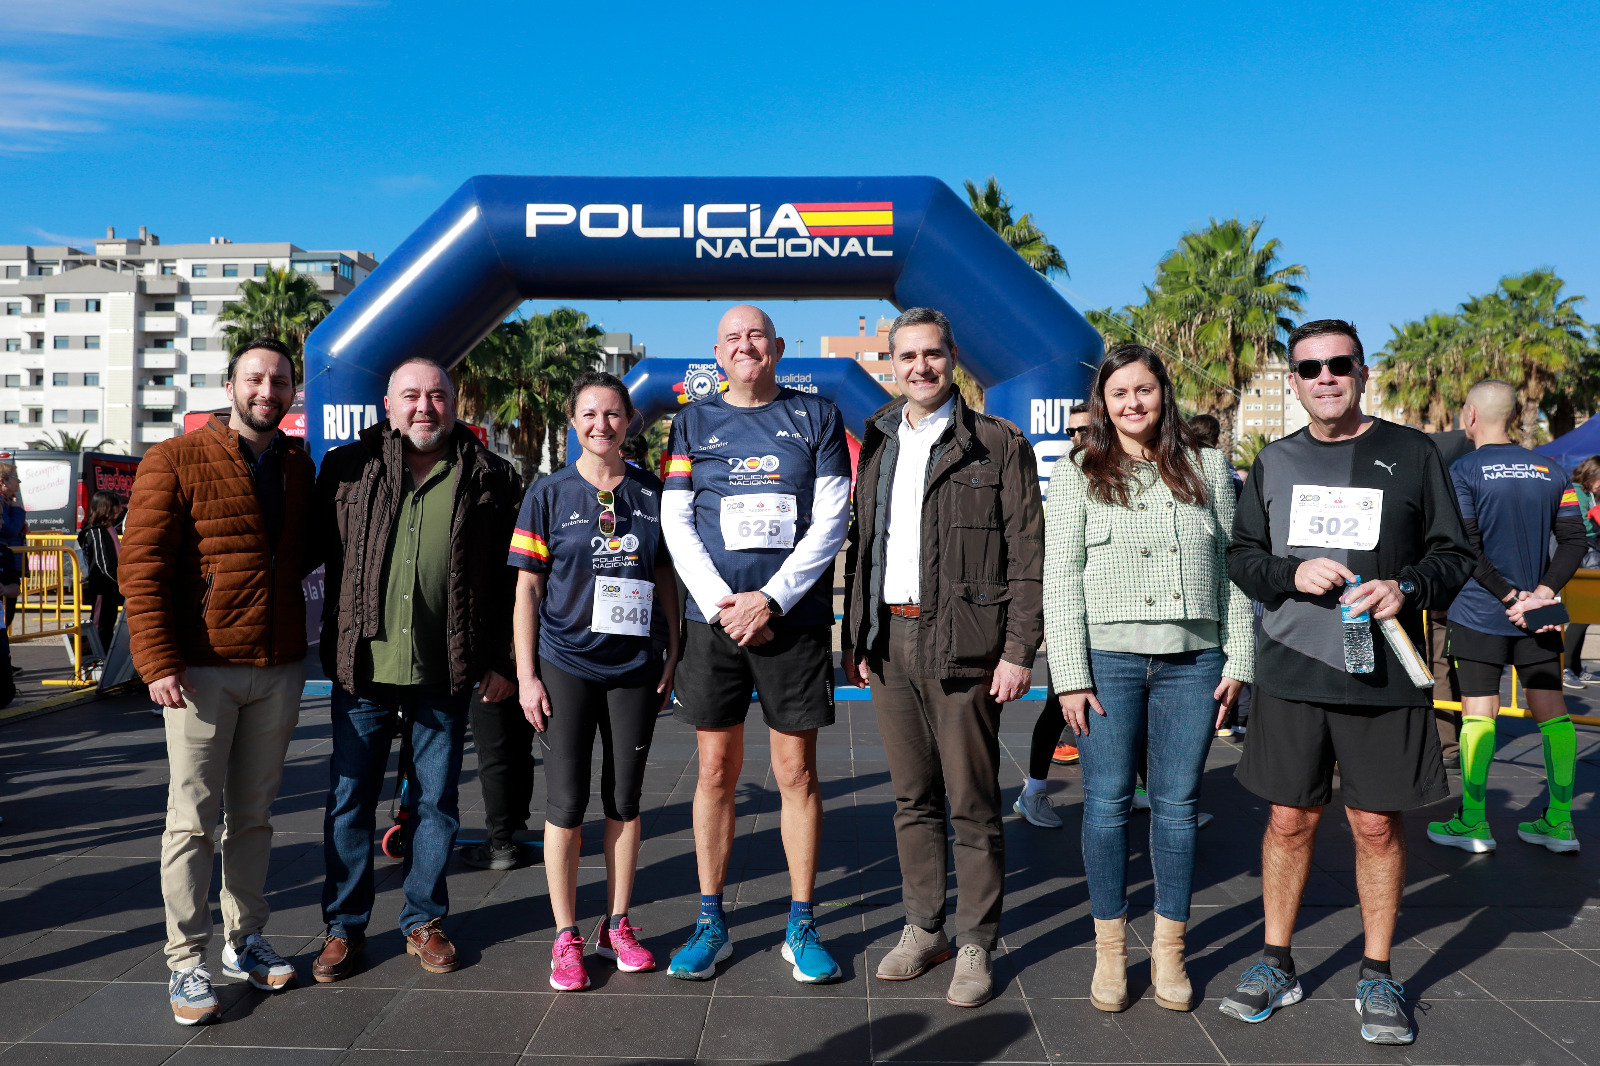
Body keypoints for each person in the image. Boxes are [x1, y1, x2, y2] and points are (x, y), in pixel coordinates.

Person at [1220, 320, 1472, 1046]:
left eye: (1338, 365)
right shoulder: (1274, 459)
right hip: (1293, 669)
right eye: (1309, 368)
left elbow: (1453, 554)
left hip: (1384, 669)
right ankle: (1276, 962)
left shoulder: (1411, 452)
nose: (1324, 377)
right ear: (1293, 381)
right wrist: (1289, 573)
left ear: (1363, 373)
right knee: (1289, 821)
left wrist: (1409, 586)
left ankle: (1376, 971)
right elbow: (1242, 556)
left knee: (1375, 825)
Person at [840, 307, 1043, 1007]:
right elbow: (864, 547)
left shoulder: (996, 442)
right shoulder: (880, 440)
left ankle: (976, 941)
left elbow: (1026, 553)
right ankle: (923, 927)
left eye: (932, 354)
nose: (920, 367)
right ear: (890, 364)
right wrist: (856, 639)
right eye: (907, 356)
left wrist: (1019, 650)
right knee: (911, 799)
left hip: (966, 646)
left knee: (974, 803)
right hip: (891, 643)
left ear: (952, 357)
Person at [1043, 343, 1252, 1015]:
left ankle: (1169, 950)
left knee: (1178, 804)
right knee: (1104, 803)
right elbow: (1059, 579)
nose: (1133, 403)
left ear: (1165, 392)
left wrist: (1240, 661)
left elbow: (1237, 572)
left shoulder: (1209, 467)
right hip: (1108, 662)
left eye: (1144, 389)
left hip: (1194, 663)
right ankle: (1110, 951)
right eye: (1119, 393)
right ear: (1104, 404)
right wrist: (1069, 674)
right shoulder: (1078, 471)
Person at [119, 338, 316, 1025]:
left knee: (254, 817)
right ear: (229, 384)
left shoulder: (297, 464)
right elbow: (140, 566)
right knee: (192, 821)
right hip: (200, 671)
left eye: (281, 381)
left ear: (294, 392)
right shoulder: (174, 458)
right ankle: (185, 964)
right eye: (256, 378)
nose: (269, 390)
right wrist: (157, 660)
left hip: (278, 666)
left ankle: (246, 940)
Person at [313, 357, 521, 982]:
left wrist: (506, 660)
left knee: (437, 803)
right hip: (364, 670)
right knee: (349, 802)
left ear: (457, 403)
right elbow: (303, 552)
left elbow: (515, 582)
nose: (424, 407)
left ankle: (423, 921)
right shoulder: (345, 470)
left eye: (437, 395)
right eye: (411, 396)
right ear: (387, 404)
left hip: (446, 672)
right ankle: (343, 929)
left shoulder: (491, 477)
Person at [661, 304, 851, 984]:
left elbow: (831, 519)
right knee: (716, 772)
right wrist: (724, 605)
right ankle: (711, 920)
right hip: (716, 626)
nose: (747, 346)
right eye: (733, 338)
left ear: (777, 346)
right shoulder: (693, 420)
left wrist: (770, 600)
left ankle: (801, 923)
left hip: (790, 624)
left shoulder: (817, 415)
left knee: (796, 774)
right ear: (718, 353)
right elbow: (676, 522)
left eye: (757, 336)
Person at [509, 371, 679, 990]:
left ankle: (617, 923)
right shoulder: (548, 494)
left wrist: (673, 651)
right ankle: (565, 935)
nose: (601, 425)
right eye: (589, 414)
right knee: (566, 804)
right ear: (572, 422)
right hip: (566, 666)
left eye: (612, 414)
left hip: (634, 668)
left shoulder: (650, 492)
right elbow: (527, 589)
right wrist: (527, 674)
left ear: (629, 421)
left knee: (626, 801)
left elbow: (664, 576)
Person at [1426, 381, 1586, 854]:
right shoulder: (1552, 469)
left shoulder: (1463, 469)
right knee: (1553, 714)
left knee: (1479, 712)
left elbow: (1465, 545)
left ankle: (1473, 822)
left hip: (1480, 610)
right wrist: (1540, 594)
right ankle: (1559, 822)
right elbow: (1576, 541)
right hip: (1540, 612)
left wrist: (1509, 595)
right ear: (1514, 416)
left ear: (1471, 415)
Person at [1013, 403, 1090, 831]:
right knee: (1055, 707)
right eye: (1072, 432)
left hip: (1112, 618)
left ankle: (1142, 791)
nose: (1077, 439)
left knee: (1127, 708)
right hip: (1069, 615)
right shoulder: (1065, 475)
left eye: (1086, 429)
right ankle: (1034, 791)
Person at [1427, 430, 1475, 764]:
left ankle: (1448, 746)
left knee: (1439, 666)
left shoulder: (1441, 488)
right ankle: (1457, 744)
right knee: (1457, 667)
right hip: (1473, 596)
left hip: (1443, 596)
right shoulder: (1463, 479)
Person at [1560, 455, 1600, 689]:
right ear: (1591, 474)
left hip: (1591, 551)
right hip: (1582, 553)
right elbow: (1577, 523)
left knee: (1586, 615)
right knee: (1579, 615)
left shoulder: (1590, 494)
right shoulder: (1575, 490)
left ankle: (1574, 666)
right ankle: (1565, 667)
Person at [77, 489, 125, 655]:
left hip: (111, 587)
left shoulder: (108, 529)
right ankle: (94, 656)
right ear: (106, 508)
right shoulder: (95, 531)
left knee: (109, 623)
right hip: (103, 587)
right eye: (116, 507)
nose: (120, 510)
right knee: (100, 624)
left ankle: (105, 657)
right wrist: (121, 581)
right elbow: (103, 565)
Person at [0, 461, 28, 628]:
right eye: (15, 478)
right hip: (4, 561)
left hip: (10, 561)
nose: (18, 482)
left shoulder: (9, 502)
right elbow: (9, 529)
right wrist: (18, 511)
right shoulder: (5, 504)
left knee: (8, 615)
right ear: (3, 481)